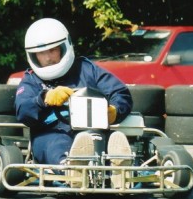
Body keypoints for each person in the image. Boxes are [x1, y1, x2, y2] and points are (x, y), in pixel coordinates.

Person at [14, 18, 133, 186]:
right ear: (33, 55)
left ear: (64, 47)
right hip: (51, 133)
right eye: (41, 53)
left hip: (92, 131)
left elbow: (121, 93)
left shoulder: (86, 69)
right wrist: (43, 99)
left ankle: (117, 168)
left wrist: (115, 111)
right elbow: (22, 110)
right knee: (56, 144)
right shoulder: (31, 80)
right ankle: (71, 169)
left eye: (52, 50)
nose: (47, 58)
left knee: (106, 138)